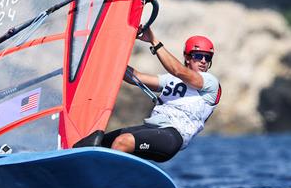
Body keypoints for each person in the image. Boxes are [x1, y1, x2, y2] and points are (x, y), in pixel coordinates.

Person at [74, 29, 221, 162]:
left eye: (207, 58)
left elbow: (178, 70)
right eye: (198, 56)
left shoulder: (210, 83)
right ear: (187, 57)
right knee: (96, 143)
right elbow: (135, 77)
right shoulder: (171, 80)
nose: (203, 61)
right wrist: (106, 58)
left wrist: (153, 40)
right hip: (151, 129)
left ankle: (106, 187)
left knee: (122, 142)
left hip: (172, 136)